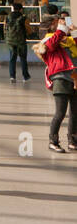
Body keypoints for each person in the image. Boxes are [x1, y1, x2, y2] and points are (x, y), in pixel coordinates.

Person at [38, 17, 77, 152]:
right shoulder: (47, 40)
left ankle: (73, 140)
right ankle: (53, 141)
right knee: (60, 112)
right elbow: (51, 45)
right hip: (60, 78)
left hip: (74, 77)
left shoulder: (67, 40)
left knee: (75, 112)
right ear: (51, 27)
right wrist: (61, 30)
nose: (62, 24)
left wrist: (74, 32)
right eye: (57, 23)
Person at [5, 2, 32, 83]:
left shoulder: (8, 17)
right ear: (21, 9)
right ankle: (25, 77)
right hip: (21, 41)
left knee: (12, 59)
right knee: (23, 59)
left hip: (11, 41)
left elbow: (5, 28)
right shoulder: (24, 18)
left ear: (12, 8)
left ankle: (12, 76)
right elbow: (28, 29)